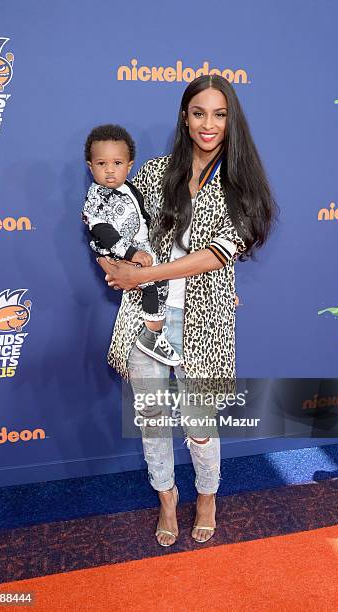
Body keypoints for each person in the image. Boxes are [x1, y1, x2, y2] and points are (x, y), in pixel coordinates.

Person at [98, 75, 277, 547]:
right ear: (184, 116)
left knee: (200, 424)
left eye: (219, 114)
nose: (208, 124)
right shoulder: (157, 172)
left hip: (203, 319)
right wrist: (117, 257)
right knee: (153, 421)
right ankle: (167, 498)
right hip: (146, 318)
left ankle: (206, 497)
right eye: (199, 113)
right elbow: (119, 223)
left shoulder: (241, 181)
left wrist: (144, 275)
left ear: (231, 120)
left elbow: (219, 253)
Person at [82, 124, 181, 366]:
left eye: (117, 163)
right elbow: (102, 232)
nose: (109, 171)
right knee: (154, 282)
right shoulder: (96, 199)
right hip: (119, 253)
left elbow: (142, 214)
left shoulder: (130, 188)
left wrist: (144, 240)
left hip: (139, 245)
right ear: (90, 166)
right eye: (101, 164)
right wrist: (131, 253)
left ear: (129, 166)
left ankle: (153, 333)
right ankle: (152, 336)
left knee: (160, 281)